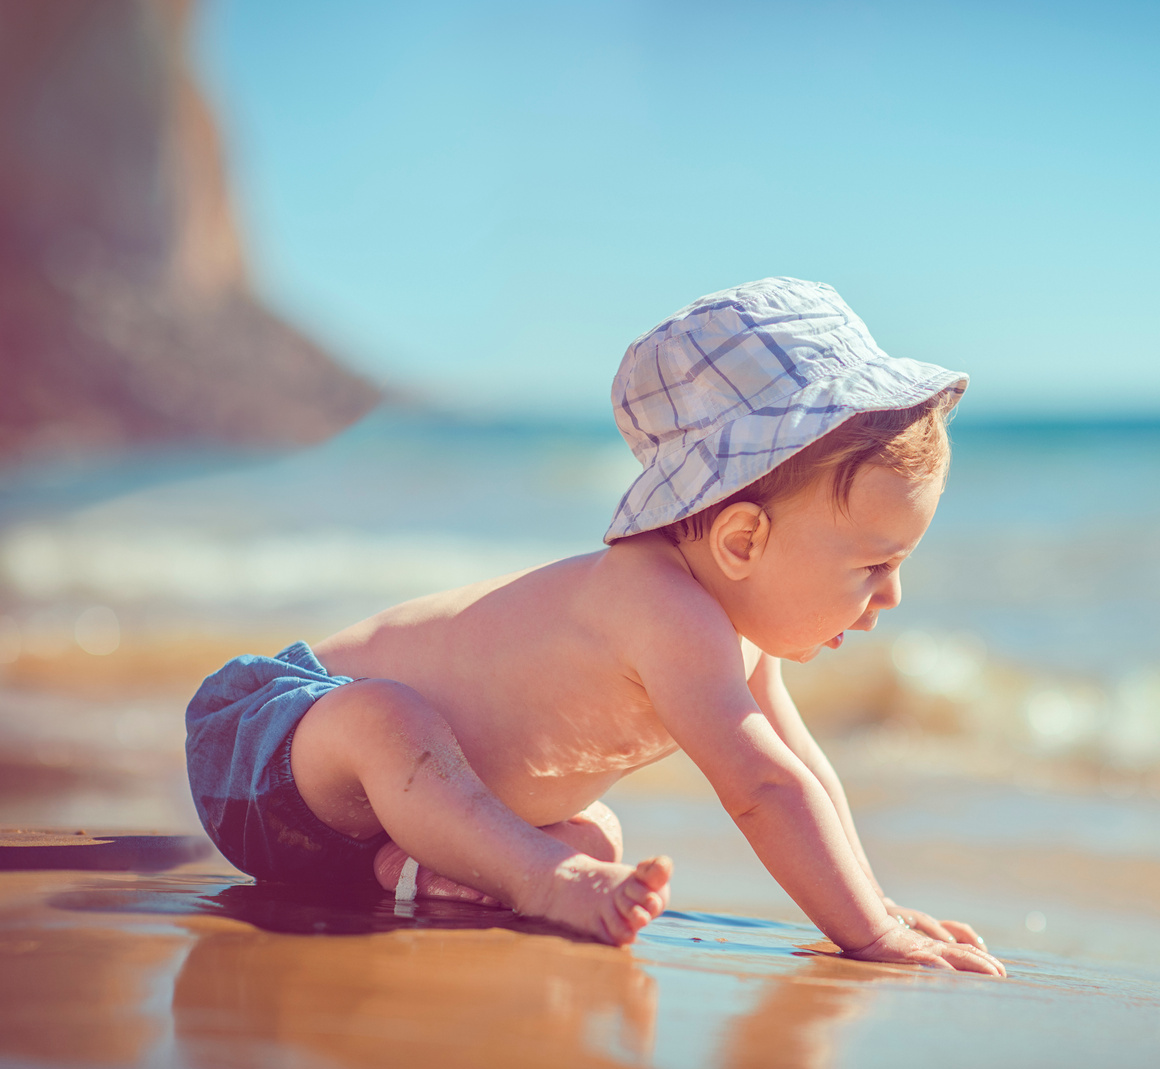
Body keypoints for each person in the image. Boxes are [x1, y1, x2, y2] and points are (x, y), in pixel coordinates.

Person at [185, 277, 1005, 976]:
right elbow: (761, 790)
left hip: (359, 841)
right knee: (386, 718)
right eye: (872, 565)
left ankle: (420, 876)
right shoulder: (659, 606)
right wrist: (869, 937)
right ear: (743, 539)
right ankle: (536, 879)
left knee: (592, 836)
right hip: (278, 753)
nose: (891, 596)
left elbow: (803, 772)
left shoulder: (733, 635)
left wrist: (873, 899)